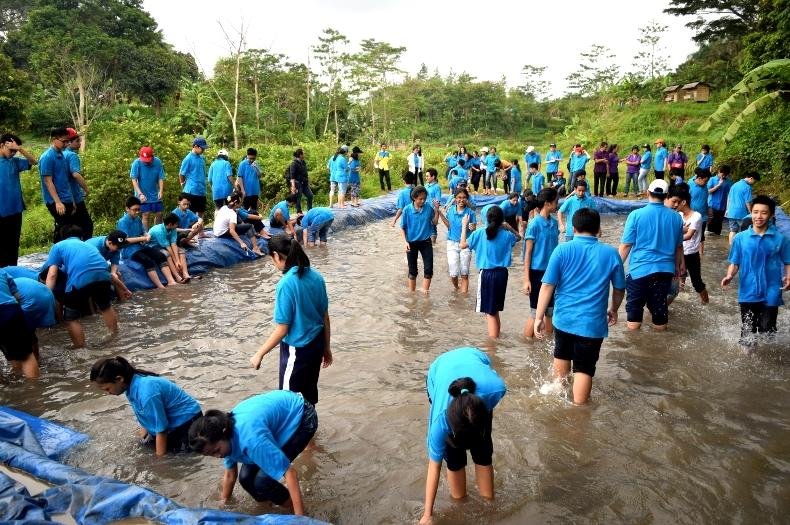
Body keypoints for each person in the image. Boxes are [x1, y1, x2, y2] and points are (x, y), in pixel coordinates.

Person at [534, 208, 625, 404]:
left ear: (573, 228)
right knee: (584, 369)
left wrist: (539, 317)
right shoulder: (611, 253)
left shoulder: (562, 250)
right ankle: (579, 414)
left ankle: (558, 398)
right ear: (598, 229)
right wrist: (614, 309)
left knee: (562, 356)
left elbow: (547, 286)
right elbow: (619, 289)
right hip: (592, 325)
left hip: (564, 320)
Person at [188, 390, 317, 514]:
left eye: (217, 451)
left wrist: (300, 517)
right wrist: (224, 503)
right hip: (274, 417)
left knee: (262, 481)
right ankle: (270, 505)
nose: (218, 456)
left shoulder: (251, 441)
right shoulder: (222, 437)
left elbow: (290, 473)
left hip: (302, 416)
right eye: (211, 454)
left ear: (224, 434)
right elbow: (230, 475)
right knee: (245, 478)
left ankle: (292, 509)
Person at [419, 347, 507, 525]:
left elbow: (487, 368)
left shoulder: (495, 390)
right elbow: (434, 467)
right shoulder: (440, 421)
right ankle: (460, 502)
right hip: (439, 370)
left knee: (482, 449)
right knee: (454, 455)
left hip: (473, 357)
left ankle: (488, 504)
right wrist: (427, 515)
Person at [249, 233, 332, 404]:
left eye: (272, 259)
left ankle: (296, 430)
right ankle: (310, 428)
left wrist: (259, 354)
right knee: (308, 397)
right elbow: (325, 317)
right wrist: (327, 348)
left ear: (276, 256)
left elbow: (282, 329)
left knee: (288, 402)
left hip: (298, 350)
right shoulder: (316, 277)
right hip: (316, 345)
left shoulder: (286, 284)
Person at [90, 356, 202, 456]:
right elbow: (145, 413)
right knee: (143, 448)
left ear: (119, 379)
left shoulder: (146, 392)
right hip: (171, 423)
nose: (107, 393)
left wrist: (160, 462)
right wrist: (142, 436)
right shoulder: (131, 385)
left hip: (188, 423)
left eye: (107, 389)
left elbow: (161, 431)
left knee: (175, 459)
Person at [721, 195, 790, 353]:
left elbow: (787, 261)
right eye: (755, 212)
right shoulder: (740, 238)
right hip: (748, 289)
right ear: (750, 213)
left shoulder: (781, 239)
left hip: (772, 290)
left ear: (771, 215)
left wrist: (788, 277)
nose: (759, 216)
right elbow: (735, 262)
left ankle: (767, 356)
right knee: (747, 330)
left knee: (767, 330)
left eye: (764, 213)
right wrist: (729, 276)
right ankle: (747, 358)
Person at [618, 179, 684, 331]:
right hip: (665, 272)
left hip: (639, 271)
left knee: (634, 316)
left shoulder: (636, 215)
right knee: (659, 312)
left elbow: (626, 245)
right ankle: (660, 352)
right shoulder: (676, 218)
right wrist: (679, 268)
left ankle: (635, 349)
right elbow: (679, 247)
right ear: (666, 196)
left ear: (648, 192)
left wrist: (614, 267)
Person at [44, 225, 119, 348]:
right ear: (81, 237)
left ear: (62, 237)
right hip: (104, 274)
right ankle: (115, 337)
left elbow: (52, 274)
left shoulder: (57, 246)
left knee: (70, 318)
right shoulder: (88, 245)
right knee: (106, 307)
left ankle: (80, 348)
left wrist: (46, 294)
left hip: (81, 278)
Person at [460, 206, 520, 338]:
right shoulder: (506, 235)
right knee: (495, 310)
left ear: (486, 218)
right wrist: (509, 227)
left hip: (487, 274)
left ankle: (493, 345)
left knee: (489, 311)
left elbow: (462, 245)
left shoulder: (480, 233)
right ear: (502, 220)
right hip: (502, 274)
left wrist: (464, 226)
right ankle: (496, 337)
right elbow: (519, 237)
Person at [117, 196, 181, 289]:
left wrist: (147, 235)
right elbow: (126, 240)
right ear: (127, 209)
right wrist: (142, 238)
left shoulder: (138, 219)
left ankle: (171, 281)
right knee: (148, 261)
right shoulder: (122, 222)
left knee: (161, 256)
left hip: (141, 246)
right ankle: (160, 286)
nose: (137, 212)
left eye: (139, 209)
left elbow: (144, 231)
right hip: (129, 250)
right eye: (135, 210)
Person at [523, 188, 560, 338]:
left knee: (550, 312)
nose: (557, 204)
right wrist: (526, 279)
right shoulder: (534, 224)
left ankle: (548, 345)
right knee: (535, 312)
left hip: (552, 272)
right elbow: (528, 253)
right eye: (556, 202)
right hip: (536, 272)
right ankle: (527, 343)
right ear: (547, 203)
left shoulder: (554, 223)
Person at [0, 133, 37, 267]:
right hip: (1, 211)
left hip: (15, 209)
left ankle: (13, 272)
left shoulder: (15, 162)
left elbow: (34, 161)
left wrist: (20, 149)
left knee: (13, 244)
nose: (13, 154)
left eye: (15, 151)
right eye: (11, 150)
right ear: (2, 145)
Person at [39, 127, 78, 242]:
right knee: (64, 231)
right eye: (63, 141)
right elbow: (48, 181)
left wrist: (72, 200)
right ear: (54, 139)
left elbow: (65, 180)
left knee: (67, 230)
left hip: (66, 198)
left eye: (68, 141)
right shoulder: (47, 157)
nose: (66, 144)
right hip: (56, 200)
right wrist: (57, 202)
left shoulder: (62, 155)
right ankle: (57, 256)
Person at [14, 275, 57, 377]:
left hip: (31, 298)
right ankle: (37, 359)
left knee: (19, 338)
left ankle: (24, 372)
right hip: (48, 293)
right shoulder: (6, 275)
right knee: (29, 331)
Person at [400, 186, 440, 293]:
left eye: (424, 199)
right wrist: (405, 242)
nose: (422, 201)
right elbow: (402, 228)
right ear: (414, 198)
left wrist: (437, 210)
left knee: (428, 269)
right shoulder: (407, 210)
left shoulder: (428, 209)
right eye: (420, 199)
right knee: (412, 271)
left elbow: (435, 222)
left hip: (426, 242)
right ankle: (412, 294)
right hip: (411, 243)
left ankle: (425, 292)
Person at [0, 268, 38, 377]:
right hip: (9, 311)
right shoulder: (2, 272)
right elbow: (17, 296)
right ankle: (35, 390)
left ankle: (11, 387)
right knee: (26, 356)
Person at [437, 187, 476, 293]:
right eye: (459, 197)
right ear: (455, 198)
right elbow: (449, 225)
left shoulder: (470, 213)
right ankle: (457, 288)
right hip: (452, 243)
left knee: (464, 272)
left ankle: (463, 298)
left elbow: (473, 228)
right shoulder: (450, 210)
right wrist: (440, 214)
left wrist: (472, 227)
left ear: (467, 199)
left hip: (466, 244)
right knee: (453, 273)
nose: (461, 200)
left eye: (464, 198)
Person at [675, 187, 709, 304]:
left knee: (697, 283)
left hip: (691, 254)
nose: (674, 205)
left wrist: (672, 238)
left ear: (684, 202)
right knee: (678, 278)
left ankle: (706, 304)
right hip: (679, 252)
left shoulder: (696, 216)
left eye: (677, 202)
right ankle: (681, 299)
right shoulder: (678, 215)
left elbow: (689, 235)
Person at [62, 128, 93, 239]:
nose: (80, 143)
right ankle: (85, 249)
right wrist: (86, 188)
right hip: (75, 197)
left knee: (71, 227)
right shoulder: (72, 155)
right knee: (87, 225)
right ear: (69, 142)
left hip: (64, 197)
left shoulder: (61, 154)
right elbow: (75, 174)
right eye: (77, 141)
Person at [85, 230, 133, 300]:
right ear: (110, 243)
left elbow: (115, 261)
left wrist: (113, 272)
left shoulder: (114, 246)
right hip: (88, 264)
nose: (120, 249)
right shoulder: (95, 247)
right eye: (119, 247)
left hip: (100, 263)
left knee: (117, 274)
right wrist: (112, 275)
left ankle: (123, 300)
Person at [147, 213, 191, 283]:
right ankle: (177, 277)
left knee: (181, 251)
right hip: (153, 246)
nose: (177, 225)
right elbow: (168, 247)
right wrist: (176, 262)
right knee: (167, 254)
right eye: (176, 224)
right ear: (170, 224)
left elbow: (173, 244)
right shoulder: (159, 231)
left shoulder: (173, 229)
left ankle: (185, 274)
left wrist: (177, 261)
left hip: (164, 245)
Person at [130, 146, 166, 229]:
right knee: (146, 214)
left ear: (152, 156)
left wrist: (160, 191)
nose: (146, 162)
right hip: (142, 194)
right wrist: (140, 194)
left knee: (159, 213)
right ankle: (146, 235)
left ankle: (157, 232)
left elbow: (161, 177)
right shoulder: (137, 163)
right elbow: (134, 180)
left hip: (154, 192)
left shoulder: (158, 162)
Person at [725, 171, 759, 245]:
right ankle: (741, 247)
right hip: (741, 213)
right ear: (751, 178)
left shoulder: (734, 185)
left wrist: (727, 209)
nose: (754, 183)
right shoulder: (747, 187)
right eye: (754, 181)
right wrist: (751, 213)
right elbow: (748, 202)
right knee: (743, 231)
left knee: (733, 230)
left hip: (731, 211)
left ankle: (731, 246)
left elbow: (729, 198)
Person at [179, 136, 208, 217]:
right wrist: (182, 184)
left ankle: (199, 228)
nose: (203, 150)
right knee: (189, 214)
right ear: (195, 146)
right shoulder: (188, 159)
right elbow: (181, 174)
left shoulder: (202, 158)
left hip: (201, 190)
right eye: (202, 148)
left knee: (201, 213)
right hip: (191, 191)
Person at [706, 165, 732, 236]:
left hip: (722, 206)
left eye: (725, 175)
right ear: (718, 172)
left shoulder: (728, 182)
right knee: (710, 228)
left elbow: (730, 194)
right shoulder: (712, 179)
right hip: (712, 205)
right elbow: (708, 191)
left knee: (719, 227)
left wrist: (728, 207)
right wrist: (718, 185)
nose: (723, 176)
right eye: (722, 174)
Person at [688, 169, 710, 252]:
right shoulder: (690, 185)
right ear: (699, 178)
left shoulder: (705, 186)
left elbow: (705, 200)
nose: (706, 183)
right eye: (705, 181)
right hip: (691, 216)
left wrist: (709, 211)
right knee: (690, 235)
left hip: (703, 216)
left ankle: (701, 256)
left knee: (701, 237)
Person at [289, 148, 313, 213]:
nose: (304, 155)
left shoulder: (303, 162)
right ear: (300, 155)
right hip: (298, 184)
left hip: (305, 183)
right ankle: (299, 212)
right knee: (298, 198)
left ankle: (310, 210)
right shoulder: (293, 164)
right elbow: (292, 176)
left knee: (310, 195)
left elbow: (305, 173)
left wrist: (308, 181)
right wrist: (293, 186)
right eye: (303, 153)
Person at [425, 168, 443, 243]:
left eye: (427, 176)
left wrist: (436, 213)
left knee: (433, 227)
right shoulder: (426, 185)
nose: (426, 178)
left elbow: (437, 202)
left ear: (433, 177)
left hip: (432, 210)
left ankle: (433, 245)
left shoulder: (437, 187)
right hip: (425, 209)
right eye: (426, 176)